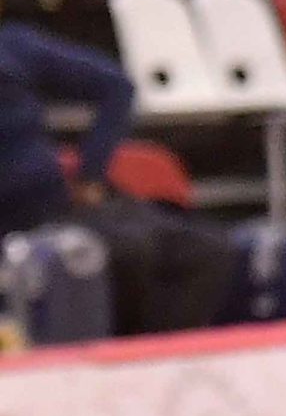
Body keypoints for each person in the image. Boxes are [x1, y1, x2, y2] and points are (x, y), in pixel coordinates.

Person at [0, 20, 234, 335]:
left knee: (206, 248)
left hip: (65, 206)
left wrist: (91, 173)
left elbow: (117, 87)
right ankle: (126, 354)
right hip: (17, 221)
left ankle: (161, 355)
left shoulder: (13, 47)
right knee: (128, 252)